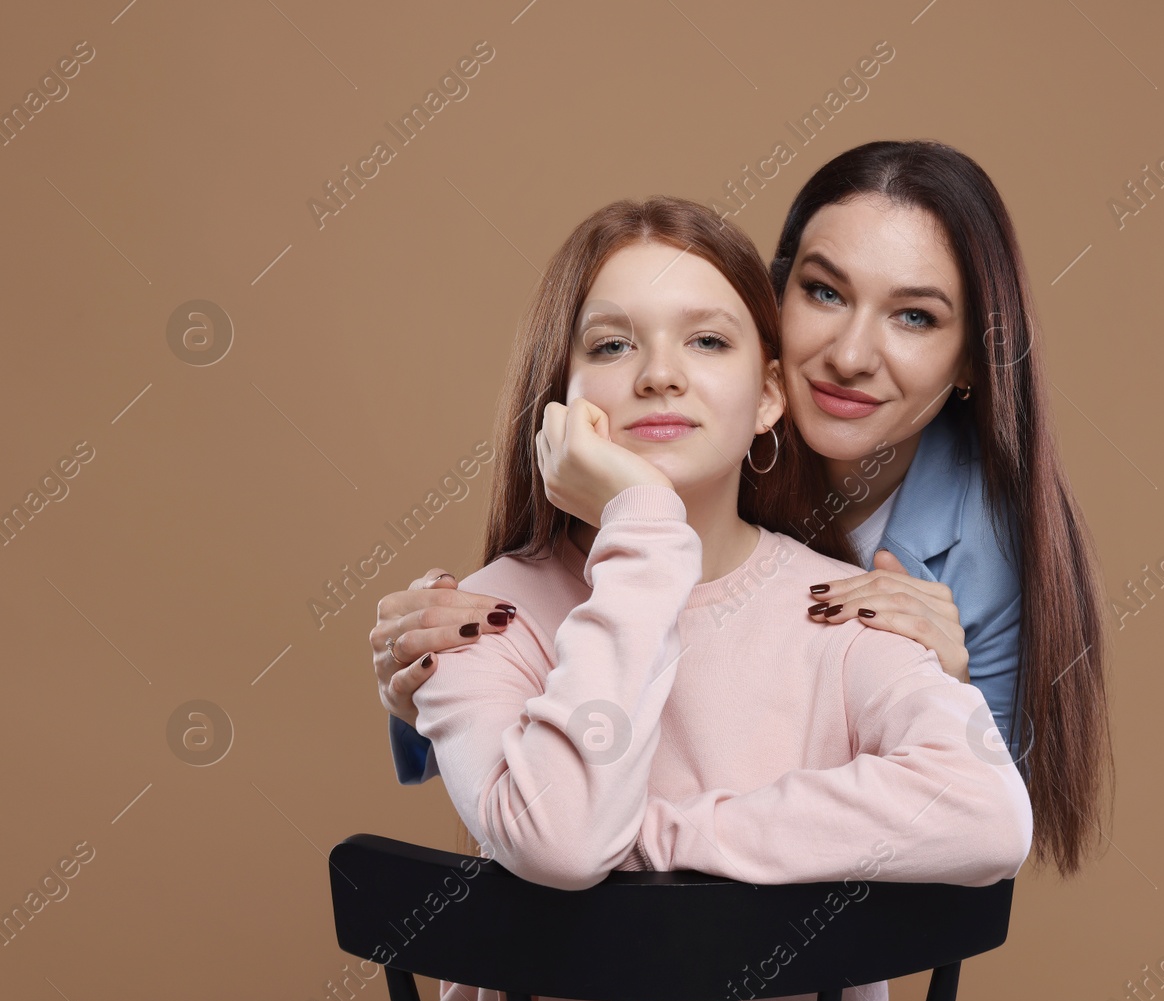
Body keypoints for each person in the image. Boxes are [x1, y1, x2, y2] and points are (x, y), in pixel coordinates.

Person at [403, 194, 1032, 1001]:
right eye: (613, 344)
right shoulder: (480, 615)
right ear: (561, 404)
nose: (659, 374)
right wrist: (647, 534)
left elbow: (988, 813)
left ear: (770, 391)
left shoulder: (851, 607)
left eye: (706, 341)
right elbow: (562, 838)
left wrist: (655, 842)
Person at [375, 139, 1113, 880]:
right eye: (825, 292)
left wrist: (647, 850)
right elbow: (540, 792)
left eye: (915, 317)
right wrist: (424, 694)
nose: (850, 355)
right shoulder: (689, 442)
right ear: (776, 300)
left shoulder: (965, 559)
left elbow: (976, 814)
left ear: (971, 364)